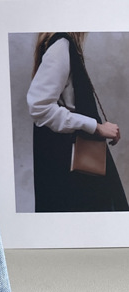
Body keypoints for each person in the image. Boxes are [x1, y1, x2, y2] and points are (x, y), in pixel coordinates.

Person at [27, 31, 128, 212]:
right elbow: (39, 107)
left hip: (69, 163)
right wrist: (96, 127)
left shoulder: (62, 45)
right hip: (69, 165)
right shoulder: (61, 46)